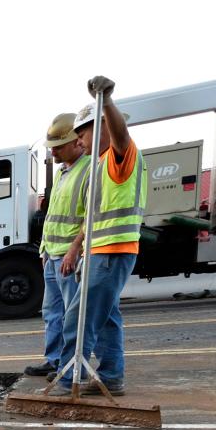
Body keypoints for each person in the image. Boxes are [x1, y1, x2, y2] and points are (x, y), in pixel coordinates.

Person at [53, 75, 145, 397]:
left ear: (104, 125)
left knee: (78, 317)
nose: (79, 142)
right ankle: (111, 376)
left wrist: (107, 101)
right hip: (104, 251)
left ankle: (68, 380)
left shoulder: (120, 156)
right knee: (106, 318)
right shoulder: (102, 163)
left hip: (111, 251)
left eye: (83, 133)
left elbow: (120, 136)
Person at [26, 112, 89, 379]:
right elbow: (53, 216)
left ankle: (69, 364)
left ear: (77, 142)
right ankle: (54, 360)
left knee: (72, 314)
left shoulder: (88, 170)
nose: (54, 153)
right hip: (51, 255)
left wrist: (74, 249)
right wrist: (43, 250)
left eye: (59, 147)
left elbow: (90, 216)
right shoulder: (64, 173)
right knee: (53, 312)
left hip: (67, 256)